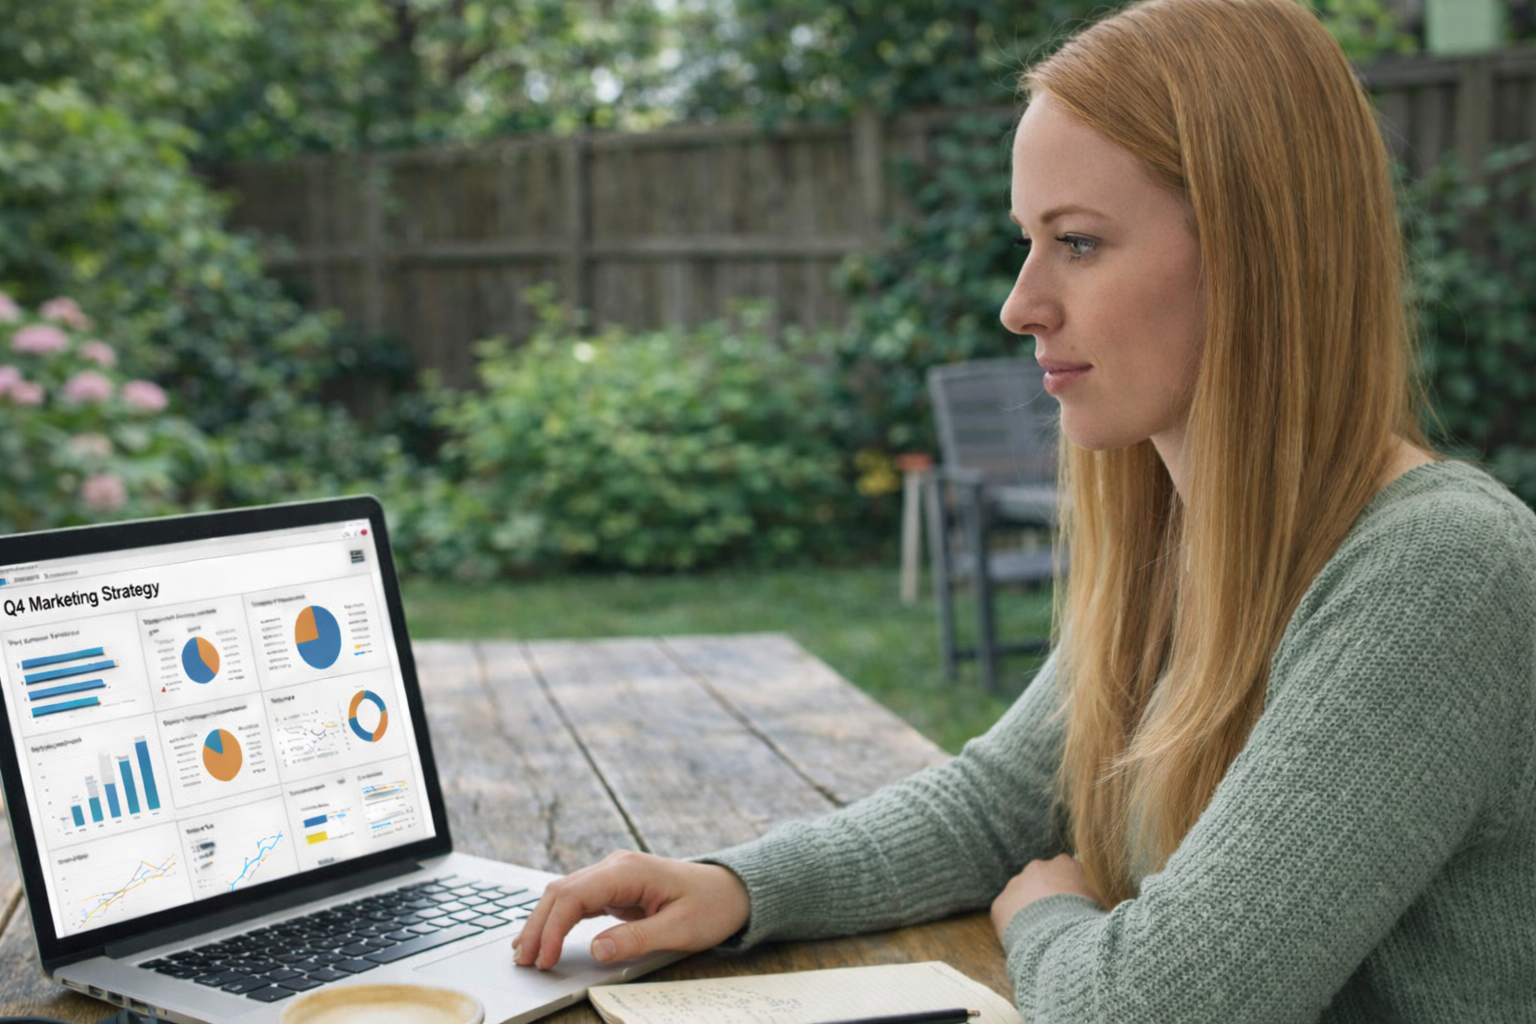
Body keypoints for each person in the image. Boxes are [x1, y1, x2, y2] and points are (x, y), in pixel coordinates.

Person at [511, 0, 1536, 1018]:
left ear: (1255, 255)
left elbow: (1155, 1008)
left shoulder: (1444, 571)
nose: (1020, 303)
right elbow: (1002, 802)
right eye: (1029, 241)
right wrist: (741, 886)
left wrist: (1045, 914)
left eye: (1078, 243)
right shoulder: (1184, 542)